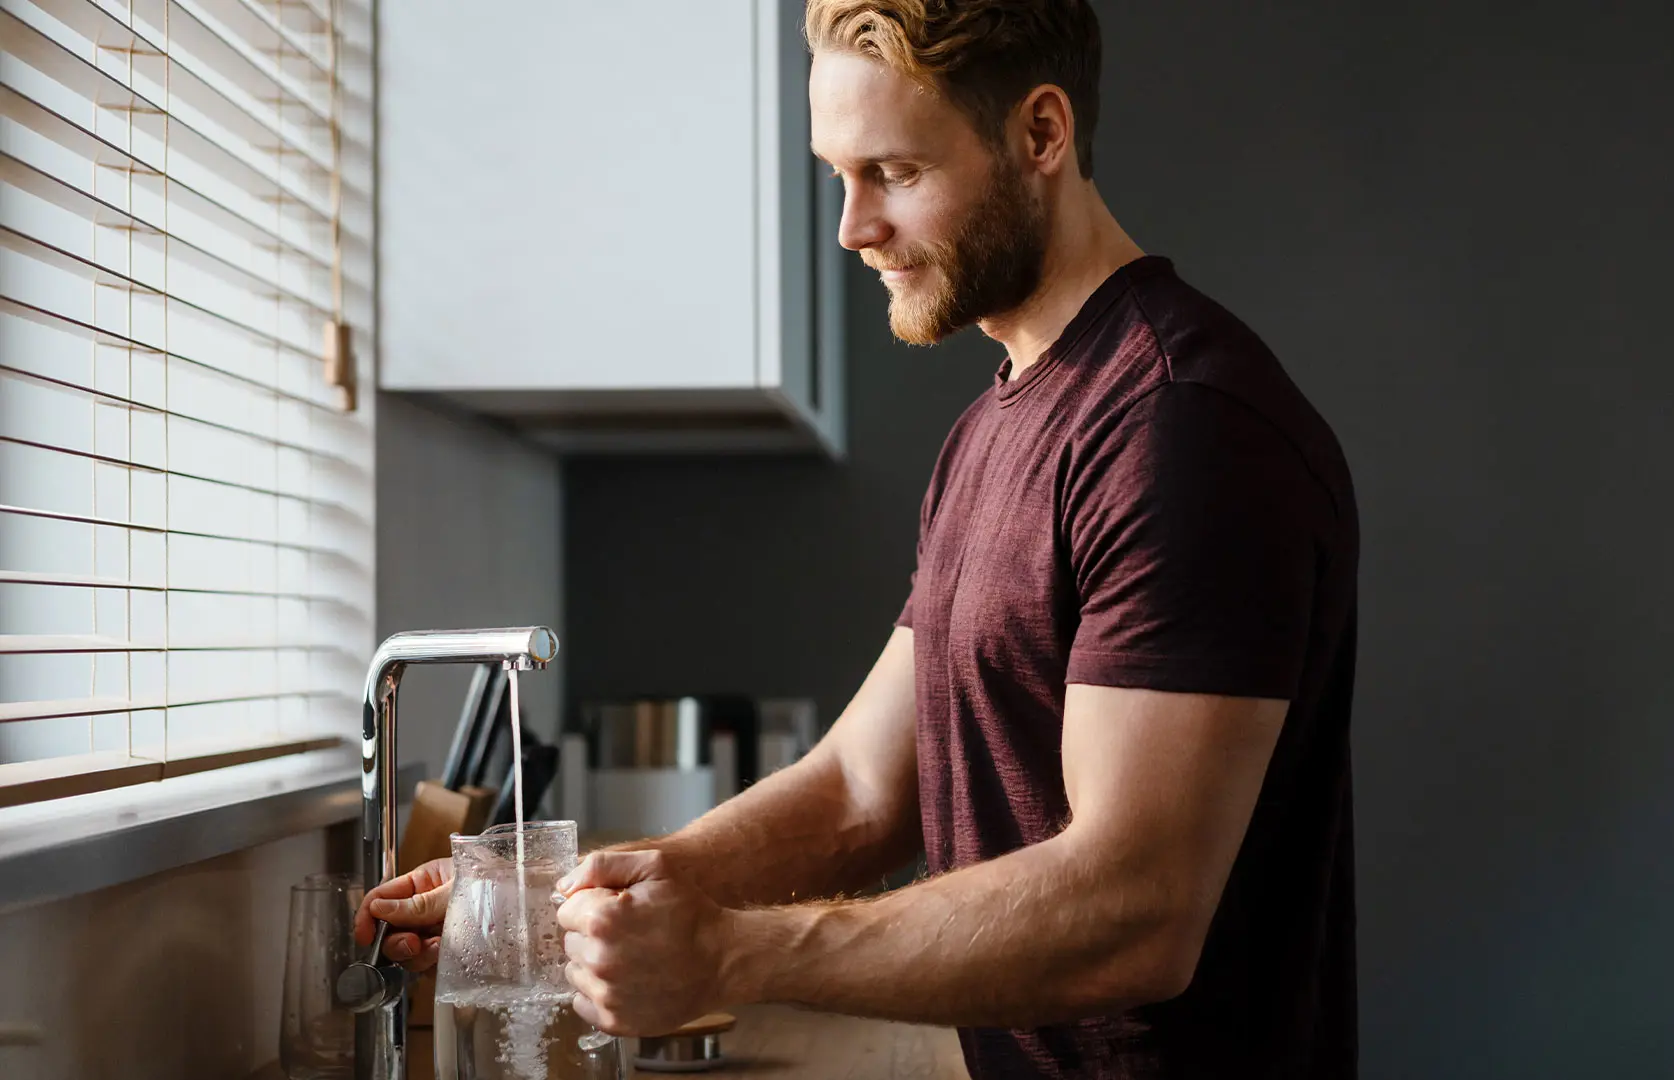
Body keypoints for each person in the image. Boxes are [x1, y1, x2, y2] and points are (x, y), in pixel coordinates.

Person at [356, 2, 1360, 1075]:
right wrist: (563, 899)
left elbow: (1136, 907)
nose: (853, 226)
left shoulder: (1183, 427)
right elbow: (863, 789)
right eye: (839, 172)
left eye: (894, 171)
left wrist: (735, 955)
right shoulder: (996, 429)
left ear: (1041, 135)